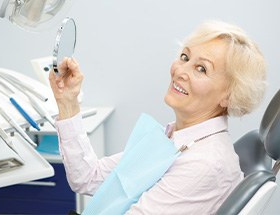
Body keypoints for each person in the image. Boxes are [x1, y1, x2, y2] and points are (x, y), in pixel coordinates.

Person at [49, 20, 266, 214]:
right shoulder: (174, 138)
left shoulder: (205, 163)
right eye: (185, 57)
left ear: (229, 96)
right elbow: (88, 178)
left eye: (201, 69)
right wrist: (68, 102)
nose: (180, 71)